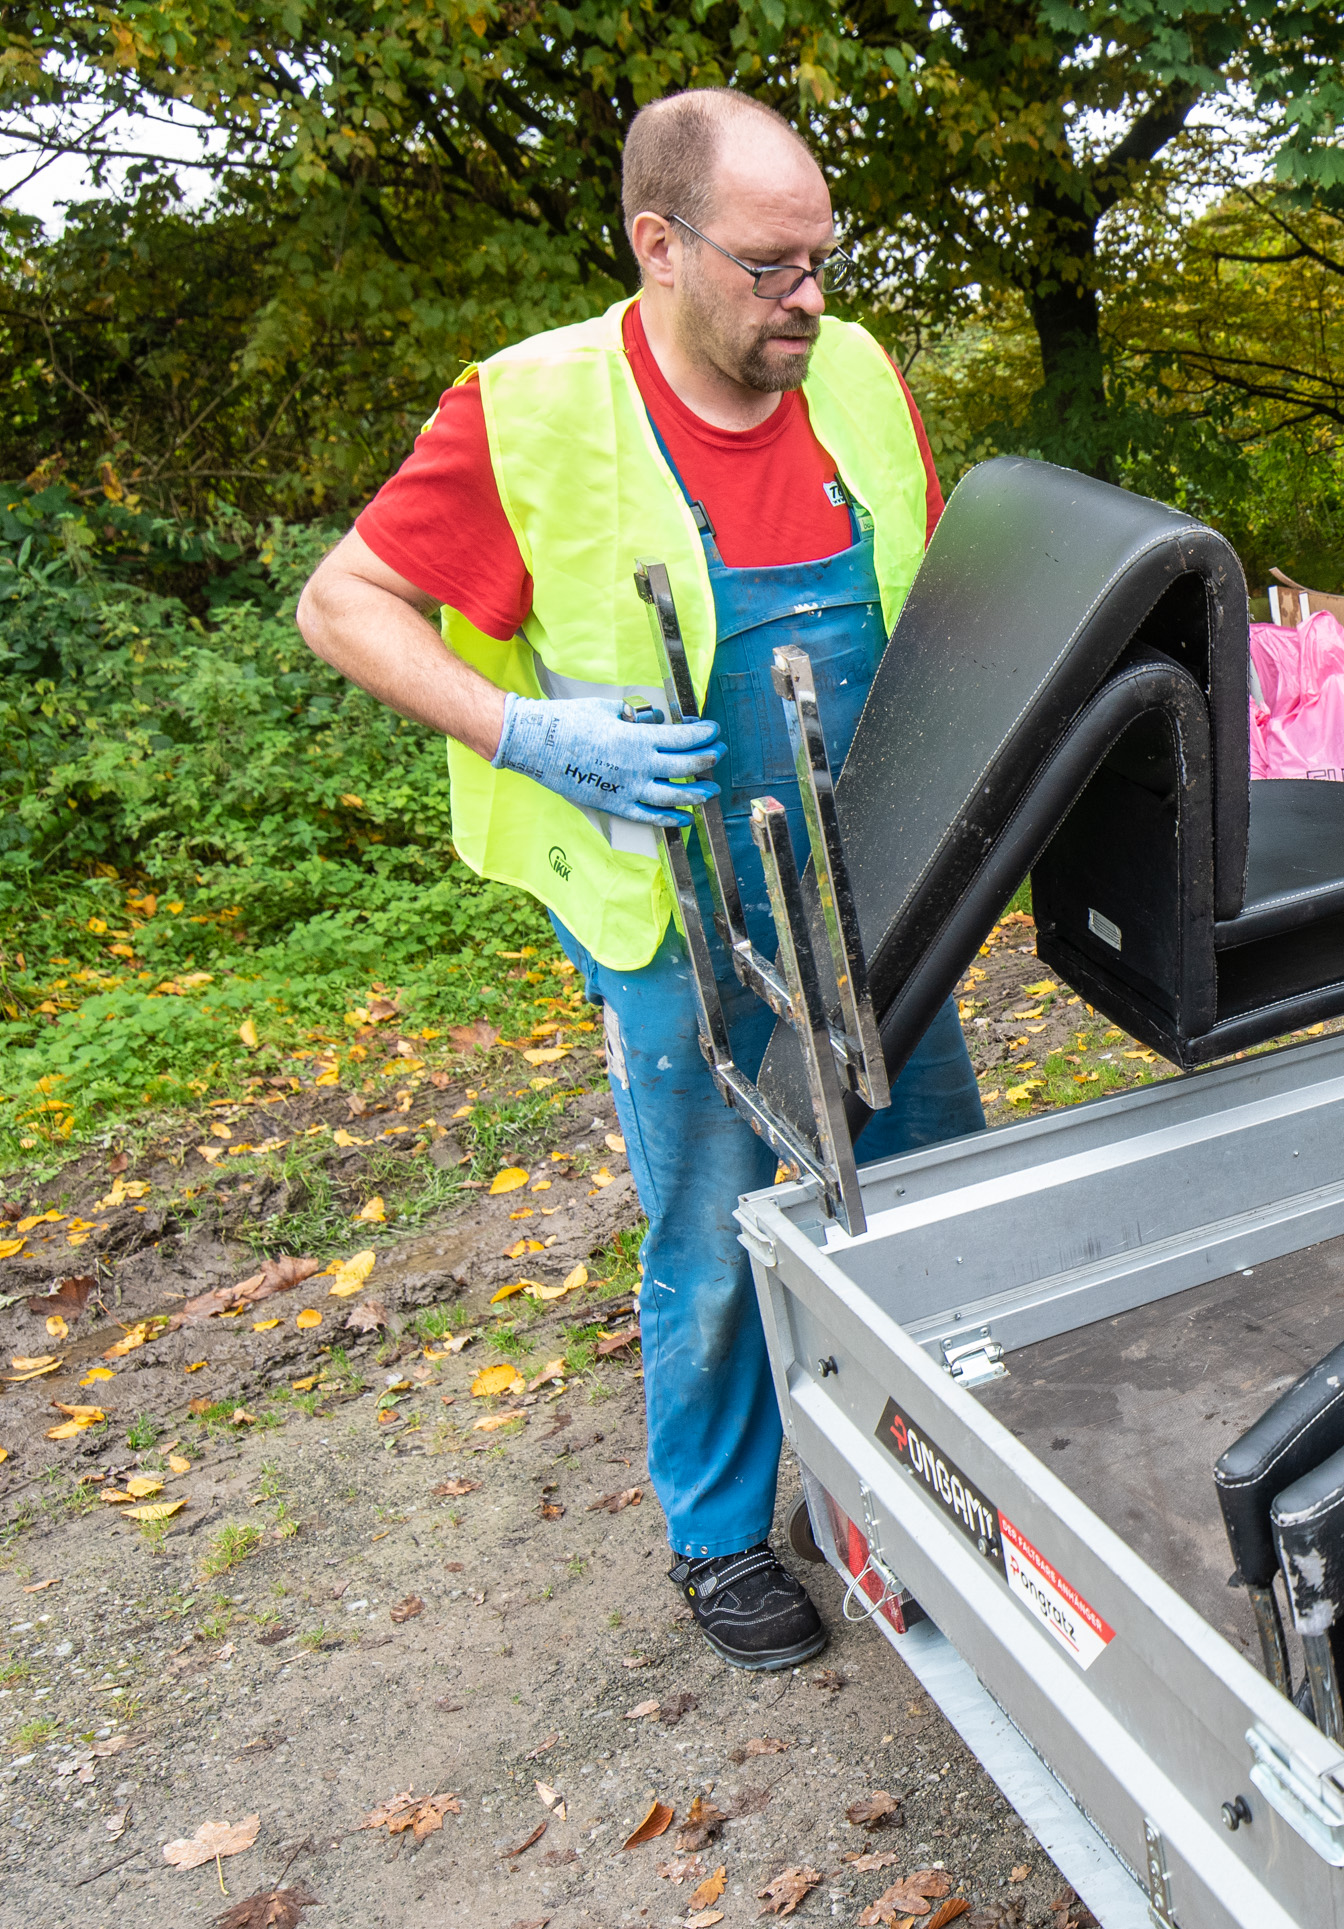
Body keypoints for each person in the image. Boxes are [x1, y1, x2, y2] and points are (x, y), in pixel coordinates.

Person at [296, 88, 987, 1672]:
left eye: (822, 257)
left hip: (868, 873)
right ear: (657, 244)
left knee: (936, 1164)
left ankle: (932, 1482)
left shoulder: (860, 377)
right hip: (671, 899)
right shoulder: (527, 410)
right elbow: (344, 605)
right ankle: (720, 1532)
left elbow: (940, 587)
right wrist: (526, 728)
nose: (807, 297)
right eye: (768, 266)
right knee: (713, 1202)